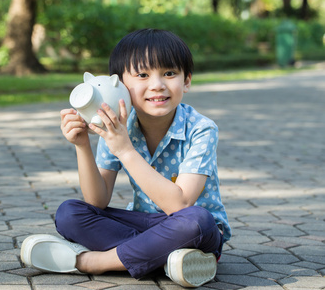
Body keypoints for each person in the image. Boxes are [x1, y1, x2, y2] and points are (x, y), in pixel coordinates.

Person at [21, 28, 231, 288]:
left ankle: (91, 261)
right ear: (119, 84)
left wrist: (125, 150)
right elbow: (97, 200)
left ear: (186, 81)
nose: (157, 84)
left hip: (194, 230)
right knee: (69, 213)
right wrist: (82, 145)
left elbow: (181, 204)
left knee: (198, 220)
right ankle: (168, 260)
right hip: (144, 225)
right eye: (143, 75)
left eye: (169, 73)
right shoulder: (120, 126)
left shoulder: (201, 129)